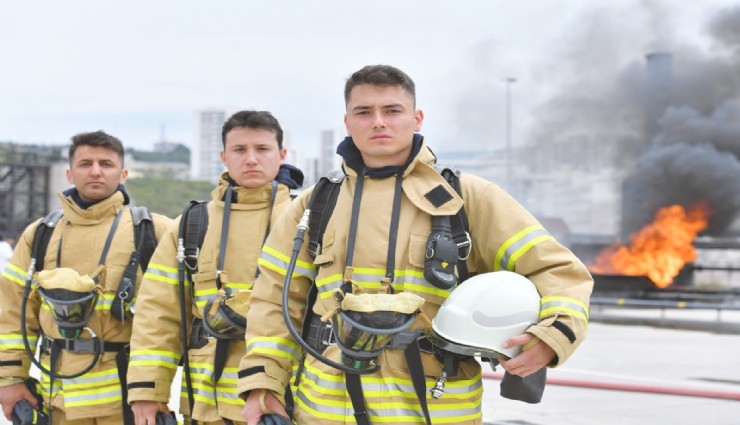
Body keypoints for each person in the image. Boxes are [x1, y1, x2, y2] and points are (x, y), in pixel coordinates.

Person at [237, 65, 594, 425]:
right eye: (364, 112)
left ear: (417, 118)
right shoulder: (316, 204)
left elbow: (558, 271)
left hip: (435, 411)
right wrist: (262, 383)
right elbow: (274, 300)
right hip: (325, 410)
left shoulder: (469, 198)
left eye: (392, 110)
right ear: (347, 122)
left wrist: (554, 335)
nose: (378, 122)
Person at [127, 110, 303, 425]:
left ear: (282, 154)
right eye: (239, 150)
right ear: (223, 156)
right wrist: (147, 391)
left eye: (262, 149)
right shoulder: (191, 225)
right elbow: (157, 314)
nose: (251, 159)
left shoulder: (309, 222)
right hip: (205, 404)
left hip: (285, 404)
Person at [0, 131, 172, 424]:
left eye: (106, 163)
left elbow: (174, 318)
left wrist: (153, 389)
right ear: (70, 172)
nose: (95, 171)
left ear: (123, 173)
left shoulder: (154, 231)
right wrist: (10, 378)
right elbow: (12, 314)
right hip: (58, 401)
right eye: (85, 163)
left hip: (129, 404)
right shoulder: (40, 234)